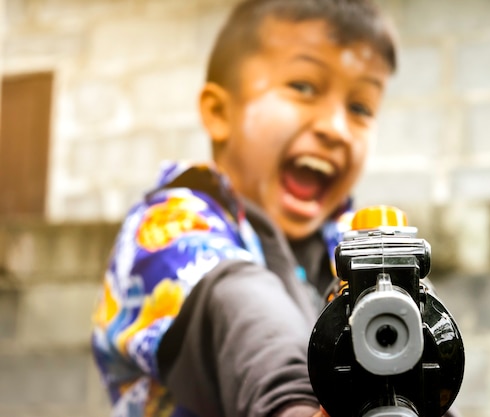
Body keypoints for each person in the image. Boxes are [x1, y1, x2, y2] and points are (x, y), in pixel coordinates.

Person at [91, 1, 461, 417]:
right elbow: (239, 306)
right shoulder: (168, 226)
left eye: (360, 107)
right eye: (303, 87)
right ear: (219, 112)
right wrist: (292, 404)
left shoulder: (348, 240)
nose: (335, 129)